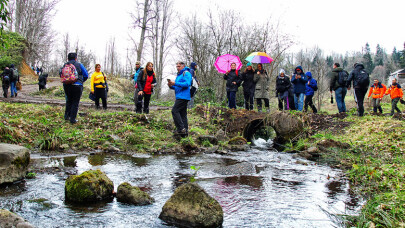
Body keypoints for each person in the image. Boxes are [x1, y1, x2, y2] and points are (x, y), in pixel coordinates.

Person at [60, 52, 89, 124]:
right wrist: (81, 81)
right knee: (75, 102)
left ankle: (67, 116)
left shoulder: (65, 65)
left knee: (69, 100)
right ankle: (72, 119)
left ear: (68, 58)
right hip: (77, 85)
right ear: (76, 58)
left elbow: (60, 74)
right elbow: (86, 75)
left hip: (67, 85)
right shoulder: (79, 65)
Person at [168, 61, 192, 136]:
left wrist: (175, 83)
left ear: (183, 66)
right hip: (179, 95)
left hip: (184, 96)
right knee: (182, 114)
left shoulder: (186, 73)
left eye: (178, 66)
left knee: (174, 111)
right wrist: (171, 85)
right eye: (176, 66)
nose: (177, 68)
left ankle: (181, 129)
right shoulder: (179, 75)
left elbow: (187, 84)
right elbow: (177, 87)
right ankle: (185, 134)